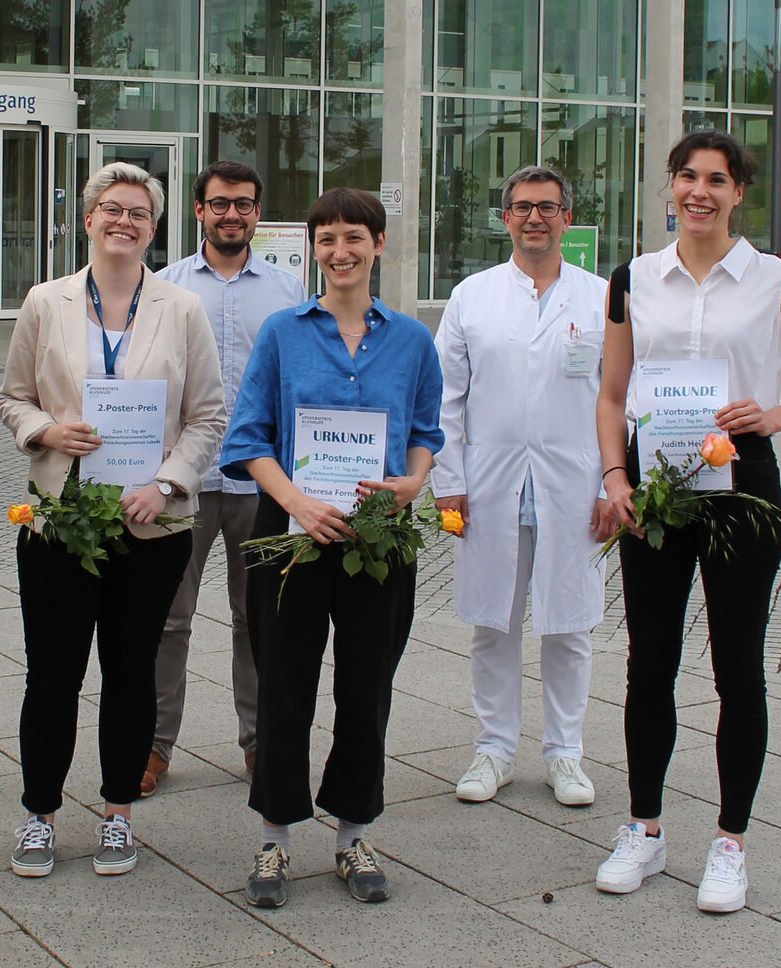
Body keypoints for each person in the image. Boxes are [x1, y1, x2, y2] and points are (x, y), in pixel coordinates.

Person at [593, 130, 781, 913]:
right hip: (656, 485)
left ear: (739, 193)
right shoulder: (632, 278)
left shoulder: (776, 282)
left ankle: (730, 842)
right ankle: (644, 828)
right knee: (648, 662)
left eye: (717, 180)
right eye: (686, 177)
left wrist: (766, 416)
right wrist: (613, 475)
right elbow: (609, 394)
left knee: (737, 666)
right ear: (669, 186)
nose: (698, 191)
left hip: (742, 484)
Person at [0, 162, 226, 879]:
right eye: (111, 208)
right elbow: (11, 396)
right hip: (61, 522)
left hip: (149, 527)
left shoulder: (181, 309)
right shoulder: (45, 301)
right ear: (87, 218)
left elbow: (208, 415)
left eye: (139, 213)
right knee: (51, 676)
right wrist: (45, 432)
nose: (123, 221)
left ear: (154, 229)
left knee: (131, 676)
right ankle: (39, 816)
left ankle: (118, 813)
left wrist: (168, 482)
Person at [221, 187, 444, 907]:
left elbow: (425, 434)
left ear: (379, 244)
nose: (340, 252)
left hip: (376, 540)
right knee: (282, 685)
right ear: (312, 250)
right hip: (289, 535)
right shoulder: (282, 332)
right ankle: (275, 837)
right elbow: (248, 438)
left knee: (365, 684)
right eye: (326, 240)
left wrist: (412, 484)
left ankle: (353, 834)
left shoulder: (411, 340)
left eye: (354, 237)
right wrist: (293, 502)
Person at [431, 166, 610, 808]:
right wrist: (447, 483)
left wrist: (614, 482)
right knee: (493, 624)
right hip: (488, 485)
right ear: (503, 217)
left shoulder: (601, 298)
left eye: (548, 208)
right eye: (522, 207)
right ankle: (494, 749)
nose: (535, 218)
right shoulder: (471, 297)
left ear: (568, 218)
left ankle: (565, 753)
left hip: (575, 482)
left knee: (570, 625)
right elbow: (445, 400)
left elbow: (621, 397)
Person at [145, 160, 306, 795]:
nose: (231, 214)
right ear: (198, 211)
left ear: (257, 213)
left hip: (260, 483)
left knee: (258, 619)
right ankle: (153, 746)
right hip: (182, 479)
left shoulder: (289, 291)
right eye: (219, 204)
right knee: (166, 619)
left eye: (243, 204)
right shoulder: (165, 286)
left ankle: (261, 744)